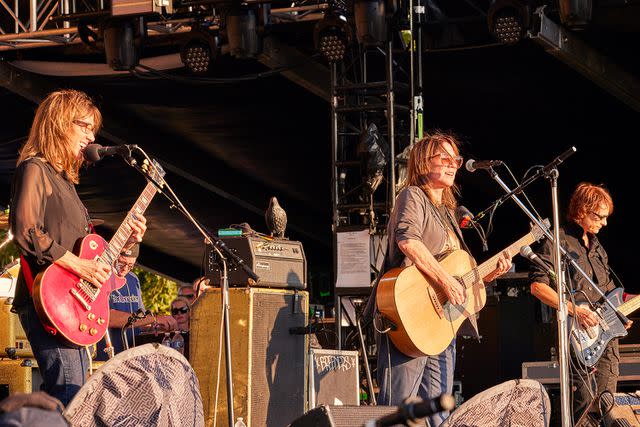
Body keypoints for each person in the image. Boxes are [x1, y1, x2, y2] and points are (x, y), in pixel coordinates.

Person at [9, 89, 146, 406]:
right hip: (49, 301)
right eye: (84, 125)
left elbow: (95, 261)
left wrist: (128, 243)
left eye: (93, 129)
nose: (91, 135)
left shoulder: (65, 184)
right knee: (70, 397)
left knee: (77, 399)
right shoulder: (35, 169)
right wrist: (79, 265)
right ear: (58, 123)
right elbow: (26, 228)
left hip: (72, 306)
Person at [371, 132, 512, 427]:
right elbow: (408, 241)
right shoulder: (413, 196)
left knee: (439, 414)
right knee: (398, 411)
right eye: (444, 158)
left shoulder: (448, 212)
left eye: (456, 160)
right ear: (423, 163)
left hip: (441, 326)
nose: (453, 165)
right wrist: (446, 281)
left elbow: (460, 278)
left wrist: (490, 274)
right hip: (409, 317)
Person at [529, 182, 629, 422]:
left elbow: (608, 294)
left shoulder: (597, 247)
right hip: (577, 337)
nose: (604, 223)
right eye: (600, 216)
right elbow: (537, 286)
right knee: (583, 403)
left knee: (607, 404)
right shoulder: (557, 241)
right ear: (583, 210)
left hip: (606, 339)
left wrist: (619, 316)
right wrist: (575, 310)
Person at [95, 243, 177, 360]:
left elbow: (140, 319)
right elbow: (107, 317)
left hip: (131, 357)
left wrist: (155, 327)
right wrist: (155, 318)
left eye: (130, 265)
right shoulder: (101, 276)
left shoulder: (133, 279)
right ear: (113, 257)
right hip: (106, 357)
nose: (125, 269)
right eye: (121, 263)